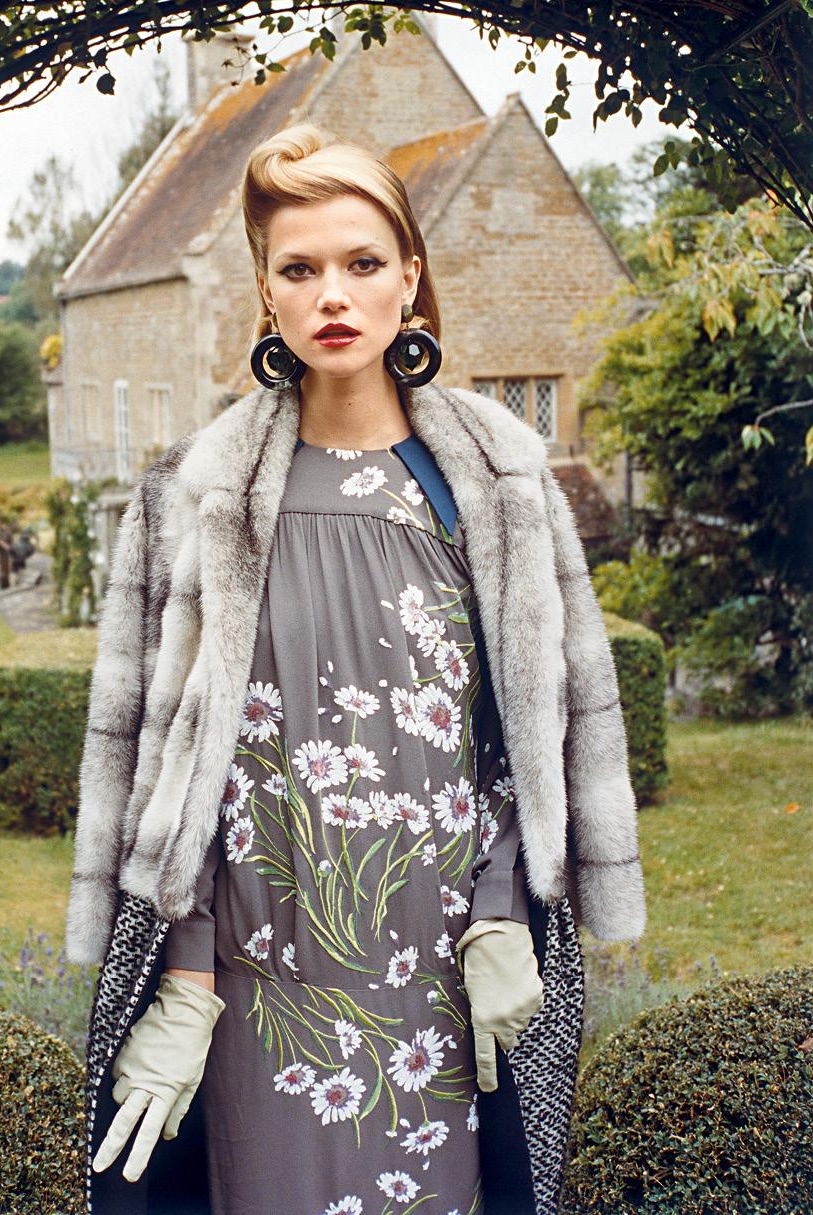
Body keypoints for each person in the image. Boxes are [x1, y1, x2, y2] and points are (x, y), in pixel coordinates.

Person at [66, 122, 646, 1215]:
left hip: (448, 978)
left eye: (363, 262)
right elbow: (173, 773)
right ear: (266, 292)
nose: (333, 293)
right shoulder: (190, 499)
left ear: (409, 280)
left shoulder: (500, 488)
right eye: (300, 269)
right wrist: (185, 979)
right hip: (254, 985)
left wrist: (503, 911)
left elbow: (529, 732)